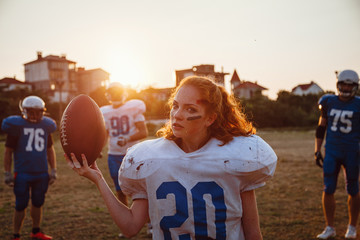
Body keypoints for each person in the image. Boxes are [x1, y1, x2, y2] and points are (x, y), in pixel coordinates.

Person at [65, 76, 277, 239]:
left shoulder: (236, 158)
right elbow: (130, 227)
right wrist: (98, 179)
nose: (177, 114)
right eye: (175, 105)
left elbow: (253, 234)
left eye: (190, 109)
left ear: (210, 118)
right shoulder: (149, 158)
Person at [2, 96, 57, 240]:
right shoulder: (16, 126)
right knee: (20, 204)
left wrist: (53, 170)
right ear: (24, 111)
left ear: (42, 112)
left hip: (41, 173)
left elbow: (50, 150)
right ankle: (16, 235)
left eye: (37, 112)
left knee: (38, 202)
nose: (34, 115)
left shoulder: (45, 126)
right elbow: (8, 151)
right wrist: (7, 172)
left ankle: (35, 231)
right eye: (31, 112)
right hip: (22, 173)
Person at [315, 69, 360, 239]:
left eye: (350, 85)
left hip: (352, 151)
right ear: (338, 84)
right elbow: (321, 127)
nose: (347, 88)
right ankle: (330, 227)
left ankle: (352, 227)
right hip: (332, 150)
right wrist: (317, 150)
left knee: (353, 189)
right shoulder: (328, 101)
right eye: (344, 84)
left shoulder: (358, 104)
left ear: (355, 86)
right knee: (328, 188)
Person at [100, 82, 149, 237]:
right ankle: (127, 222)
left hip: (133, 154)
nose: (114, 95)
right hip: (113, 154)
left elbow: (144, 132)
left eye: (116, 92)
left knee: (143, 190)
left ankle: (150, 224)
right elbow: (105, 134)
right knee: (119, 190)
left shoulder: (133, 107)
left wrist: (127, 138)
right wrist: (97, 148)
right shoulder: (105, 111)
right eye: (111, 92)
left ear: (122, 93)